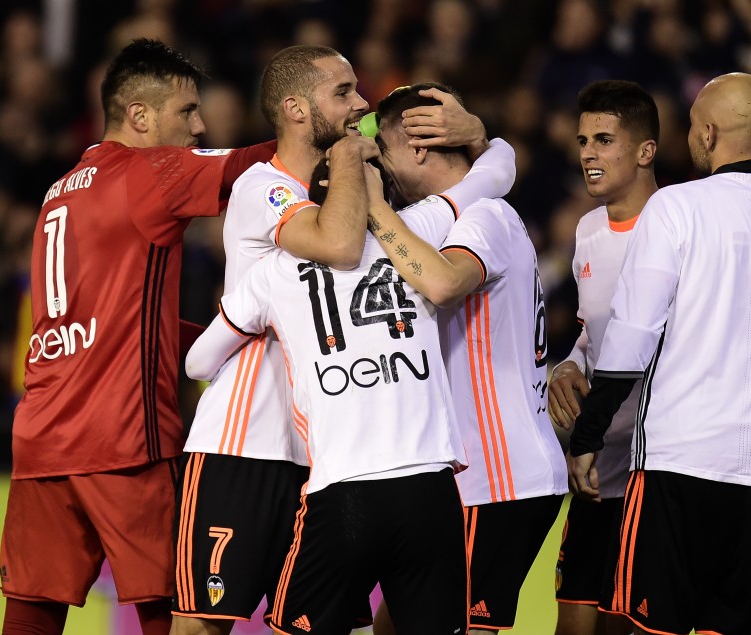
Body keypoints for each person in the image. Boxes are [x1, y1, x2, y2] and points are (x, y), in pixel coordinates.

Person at [171, 47, 507, 635]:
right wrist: (359, 162)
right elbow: (341, 244)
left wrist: (477, 133)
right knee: (204, 623)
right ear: (298, 109)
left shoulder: (356, 184)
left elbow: (488, 178)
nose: (362, 105)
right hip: (245, 442)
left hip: (329, 456)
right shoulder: (263, 187)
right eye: (345, 93)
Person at [566, 73, 751, 634]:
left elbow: (631, 340)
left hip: (678, 473)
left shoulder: (676, 209)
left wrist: (587, 437)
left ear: (707, 133)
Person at [0, 39, 278, 635]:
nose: (200, 126)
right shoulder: (146, 172)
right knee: (174, 613)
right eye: (186, 111)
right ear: (140, 116)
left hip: (42, 440)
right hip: (121, 441)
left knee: (30, 616)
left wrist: (225, 342)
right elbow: (259, 166)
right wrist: (346, 126)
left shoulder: (60, 192)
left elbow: (112, 320)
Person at [183, 157, 469, 635]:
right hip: (431, 486)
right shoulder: (416, 238)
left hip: (343, 491)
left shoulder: (272, 271)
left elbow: (197, 362)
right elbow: (491, 176)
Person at [364, 83, 567, 635]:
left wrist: (375, 214)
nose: (380, 167)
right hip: (478, 476)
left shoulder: (485, 218)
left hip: (495, 478)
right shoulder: (472, 212)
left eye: (382, 150)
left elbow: (447, 282)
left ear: (419, 147)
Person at [547, 79, 658, 635]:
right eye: (583, 138)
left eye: (605, 139)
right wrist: (570, 362)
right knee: (573, 624)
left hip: (653, 472)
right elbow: (594, 334)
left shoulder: (679, 225)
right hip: (594, 467)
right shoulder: (588, 229)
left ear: (646, 151)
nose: (588, 151)